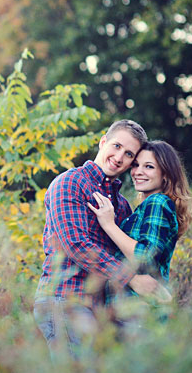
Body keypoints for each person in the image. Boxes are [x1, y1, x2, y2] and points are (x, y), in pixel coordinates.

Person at [33, 120, 160, 357]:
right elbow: (76, 244)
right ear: (103, 142)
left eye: (129, 154)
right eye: (116, 146)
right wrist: (131, 279)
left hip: (98, 308)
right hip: (66, 298)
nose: (119, 157)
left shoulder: (121, 205)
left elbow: (130, 253)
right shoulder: (70, 183)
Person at [88, 140, 192, 308]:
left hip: (139, 311)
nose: (138, 172)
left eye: (149, 167)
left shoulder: (158, 202)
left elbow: (145, 259)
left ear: (165, 174)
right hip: (125, 310)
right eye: (136, 165)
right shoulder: (141, 209)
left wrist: (109, 225)